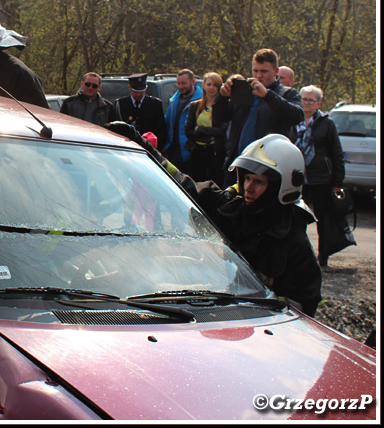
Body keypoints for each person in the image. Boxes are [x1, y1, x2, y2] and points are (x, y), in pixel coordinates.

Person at [108, 123, 322, 317]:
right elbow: (181, 185)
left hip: (264, 329)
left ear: (280, 187)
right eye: (247, 178)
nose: (248, 187)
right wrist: (144, 146)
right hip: (228, 315)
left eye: (258, 182)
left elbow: (302, 309)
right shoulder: (234, 211)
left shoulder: (293, 242)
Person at [213, 48, 303, 185]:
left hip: (268, 168)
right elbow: (220, 118)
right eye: (255, 71)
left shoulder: (287, 93)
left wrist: (268, 95)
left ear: (276, 71)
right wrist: (222, 97)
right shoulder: (244, 90)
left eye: (264, 71)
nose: (259, 75)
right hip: (237, 163)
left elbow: (296, 116)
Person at [290, 85, 347, 267]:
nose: (306, 103)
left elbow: (337, 153)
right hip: (298, 177)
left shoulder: (326, 123)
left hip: (321, 177)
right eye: (303, 99)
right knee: (298, 217)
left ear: (318, 103)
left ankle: (323, 255)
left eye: (310, 100)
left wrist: (337, 181)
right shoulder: (293, 120)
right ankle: (299, 255)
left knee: (322, 218)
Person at [184, 72, 227, 186]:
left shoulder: (222, 107)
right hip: (197, 151)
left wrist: (201, 129)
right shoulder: (195, 106)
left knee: (215, 184)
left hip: (215, 152)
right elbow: (188, 131)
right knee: (196, 184)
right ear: (204, 85)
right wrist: (209, 135)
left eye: (215, 85)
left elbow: (222, 130)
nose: (211, 88)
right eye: (209, 84)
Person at [162, 69, 202, 172]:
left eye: (184, 83)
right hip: (173, 151)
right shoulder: (173, 101)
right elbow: (167, 124)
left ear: (193, 82)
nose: (180, 87)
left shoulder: (201, 101)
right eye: (178, 83)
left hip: (192, 152)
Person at [113, 73, 167, 149]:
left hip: (148, 150)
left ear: (146, 88)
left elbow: (162, 131)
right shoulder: (120, 104)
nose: (138, 94)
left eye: (141, 91)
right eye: (135, 91)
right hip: (127, 149)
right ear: (129, 87)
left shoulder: (155, 104)